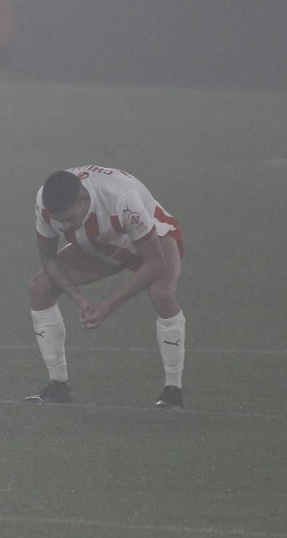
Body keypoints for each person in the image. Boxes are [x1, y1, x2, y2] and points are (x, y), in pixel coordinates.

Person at [26, 167, 187, 409]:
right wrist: (80, 299)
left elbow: (155, 262)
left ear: (84, 200)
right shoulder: (45, 202)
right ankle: (58, 386)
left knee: (162, 294)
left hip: (152, 235)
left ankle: (172, 391)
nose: (66, 227)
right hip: (98, 244)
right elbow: (49, 259)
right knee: (40, 287)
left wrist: (108, 307)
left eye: (69, 218)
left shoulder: (121, 199)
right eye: (61, 221)